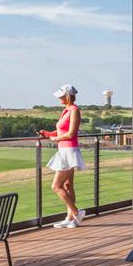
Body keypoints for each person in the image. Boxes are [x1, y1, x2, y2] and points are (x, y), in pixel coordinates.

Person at [40, 84, 86, 228]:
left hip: (69, 151)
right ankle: (70, 219)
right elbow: (62, 130)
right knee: (67, 185)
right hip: (65, 150)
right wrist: (48, 134)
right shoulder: (66, 110)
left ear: (66, 96)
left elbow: (71, 133)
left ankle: (76, 212)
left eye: (60, 95)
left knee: (56, 186)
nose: (58, 98)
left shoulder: (74, 111)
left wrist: (55, 139)